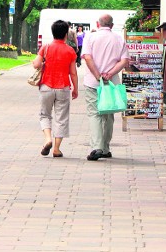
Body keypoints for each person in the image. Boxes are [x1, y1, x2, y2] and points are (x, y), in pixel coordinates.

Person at [82, 13, 129, 161]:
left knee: (94, 113)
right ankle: (106, 148)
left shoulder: (90, 37)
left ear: (98, 24)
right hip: (112, 83)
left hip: (93, 82)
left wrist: (98, 75)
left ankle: (97, 147)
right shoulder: (119, 39)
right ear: (112, 25)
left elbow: (87, 57)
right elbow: (124, 61)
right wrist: (110, 73)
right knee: (108, 114)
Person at [32, 20, 78, 158]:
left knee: (45, 114)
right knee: (61, 118)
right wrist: (75, 89)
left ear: (53, 33)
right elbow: (73, 72)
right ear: (66, 34)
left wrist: (36, 62)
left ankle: (47, 139)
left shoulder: (45, 48)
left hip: (46, 86)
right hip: (63, 87)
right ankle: (57, 149)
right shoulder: (70, 51)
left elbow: (36, 64)